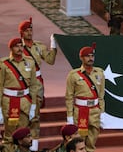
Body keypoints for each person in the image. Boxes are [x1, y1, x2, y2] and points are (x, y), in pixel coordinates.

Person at [19, 17, 58, 146]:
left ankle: (34, 147)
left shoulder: (39, 46)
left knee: (35, 117)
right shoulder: (18, 48)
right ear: (21, 33)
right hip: (24, 84)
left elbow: (50, 61)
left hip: (37, 84)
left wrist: (53, 45)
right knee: (24, 116)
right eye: (26, 30)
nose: (29, 32)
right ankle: (23, 145)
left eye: (31, 30)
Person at [0, 38, 40, 152]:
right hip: (9, 101)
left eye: (21, 46)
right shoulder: (3, 64)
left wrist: (33, 105)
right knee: (9, 136)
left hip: (24, 102)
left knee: (24, 133)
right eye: (16, 46)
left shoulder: (30, 62)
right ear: (11, 48)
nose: (19, 48)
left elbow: (33, 85)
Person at [65, 43, 105, 152]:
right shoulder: (73, 75)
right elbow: (69, 97)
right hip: (80, 111)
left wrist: (102, 112)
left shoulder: (100, 73)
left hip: (95, 111)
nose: (90, 58)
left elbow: (101, 95)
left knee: (92, 143)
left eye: (92, 56)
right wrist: (69, 116)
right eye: (87, 56)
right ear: (81, 58)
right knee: (79, 143)